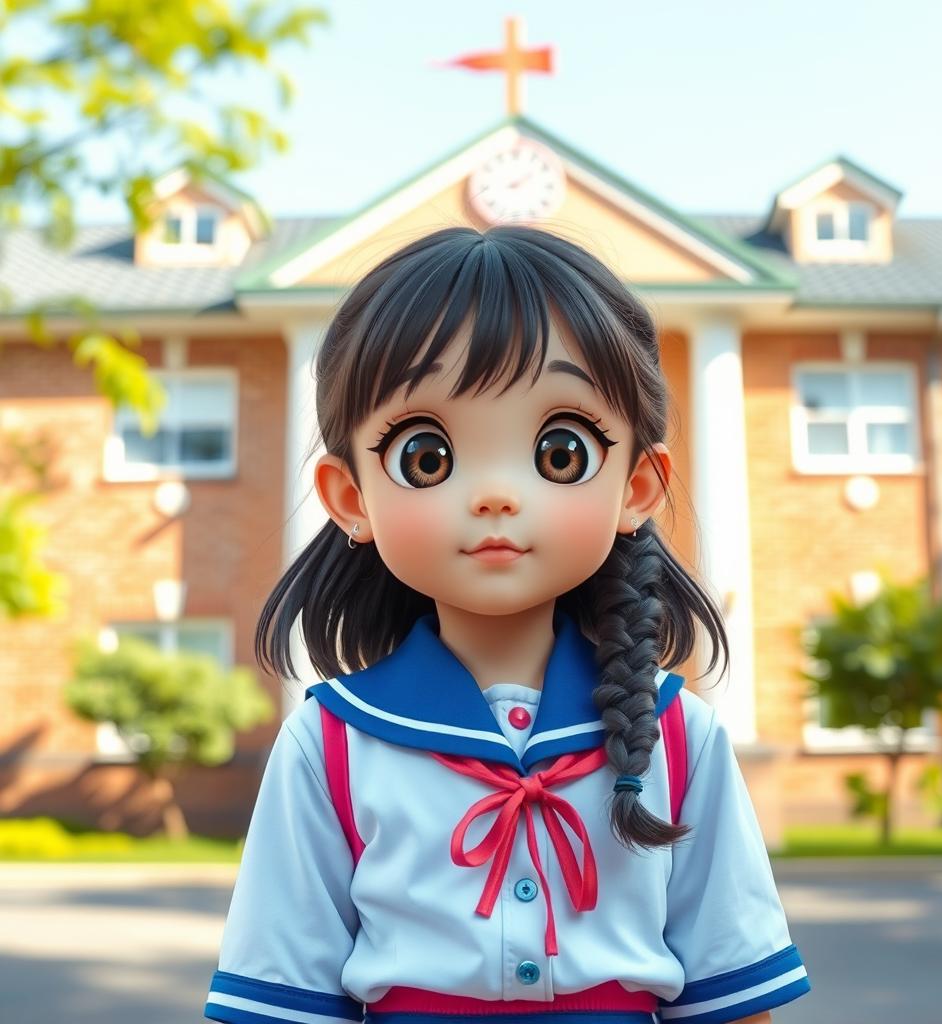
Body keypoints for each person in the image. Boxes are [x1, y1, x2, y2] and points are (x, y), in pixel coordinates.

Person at [203, 225, 812, 1024]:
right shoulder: (331, 746)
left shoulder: (679, 738)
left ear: (638, 485)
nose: (495, 494)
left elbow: (736, 1000)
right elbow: (280, 1000)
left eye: (560, 452)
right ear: (350, 497)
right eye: (427, 456)